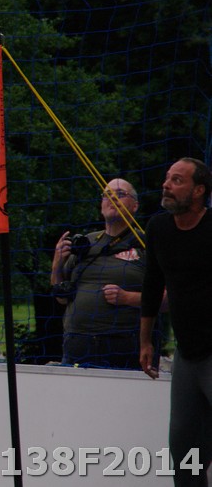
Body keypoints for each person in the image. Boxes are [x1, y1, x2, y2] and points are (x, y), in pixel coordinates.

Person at [140, 157, 212, 487]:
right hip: (187, 354)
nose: (166, 184)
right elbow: (152, 285)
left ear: (199, 191)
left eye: (177, 180)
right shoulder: (158, 228)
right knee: (183, 453)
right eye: (167, 177)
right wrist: (145, 340)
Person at [48, 178, 154, 369]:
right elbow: (61, 297)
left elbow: (170, 298)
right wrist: (57, 263)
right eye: (107, 195)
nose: (112, 199)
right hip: (77, 343)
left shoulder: (147, 244)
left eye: (120, 194)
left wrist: (127, 298)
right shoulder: (85, 243)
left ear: (135, 205)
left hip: (125, 344)